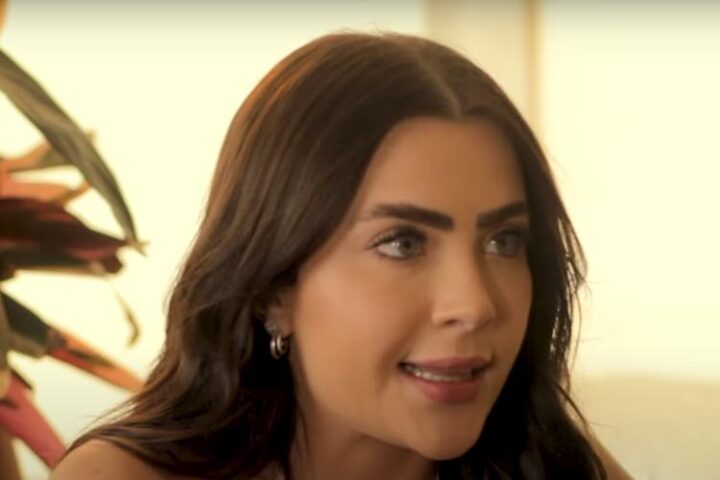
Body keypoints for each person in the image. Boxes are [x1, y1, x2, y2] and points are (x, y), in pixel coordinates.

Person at [51, 32, 632, 480]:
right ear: (273, 289)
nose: (475, 304)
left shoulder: (558, 467)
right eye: (403, 243)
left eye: (503, 241)